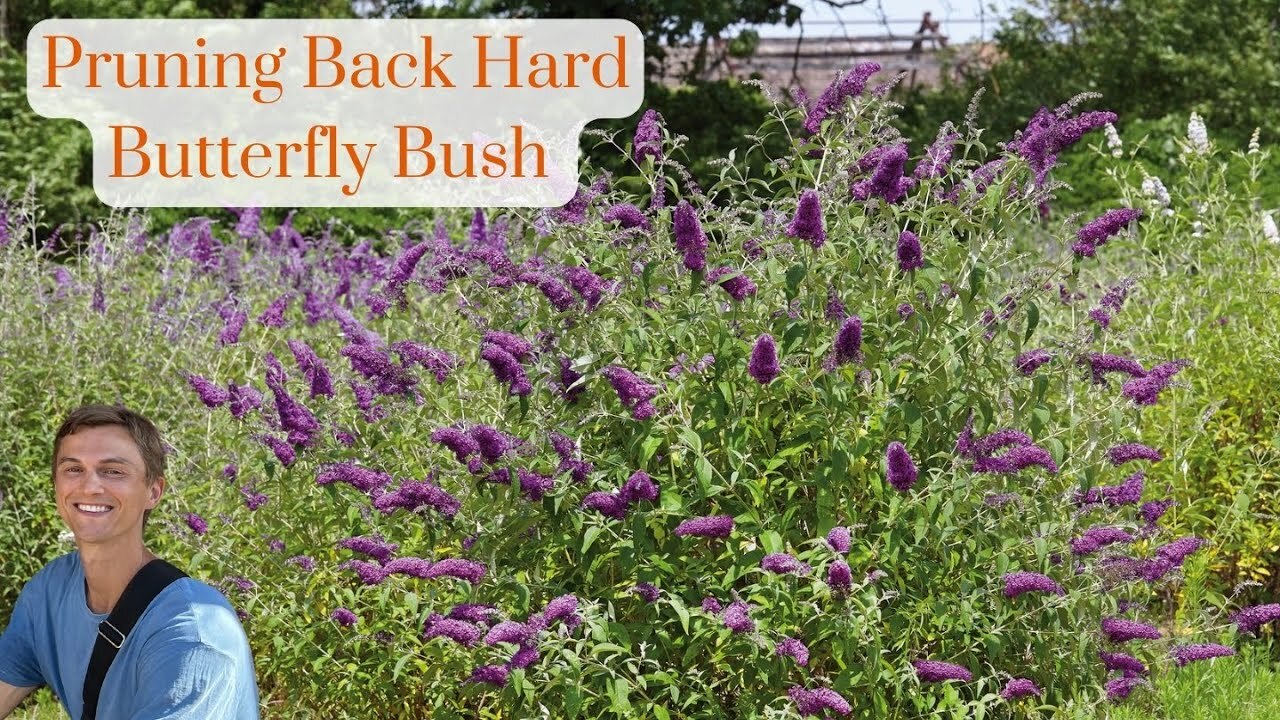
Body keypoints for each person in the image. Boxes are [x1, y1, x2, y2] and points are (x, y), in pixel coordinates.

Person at [0, 405, 260, 719]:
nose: (89, 486)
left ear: (154, 492)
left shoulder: (193, 633)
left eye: (113, 471)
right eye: (73, 469)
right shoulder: (49, 591)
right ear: (56, 484)